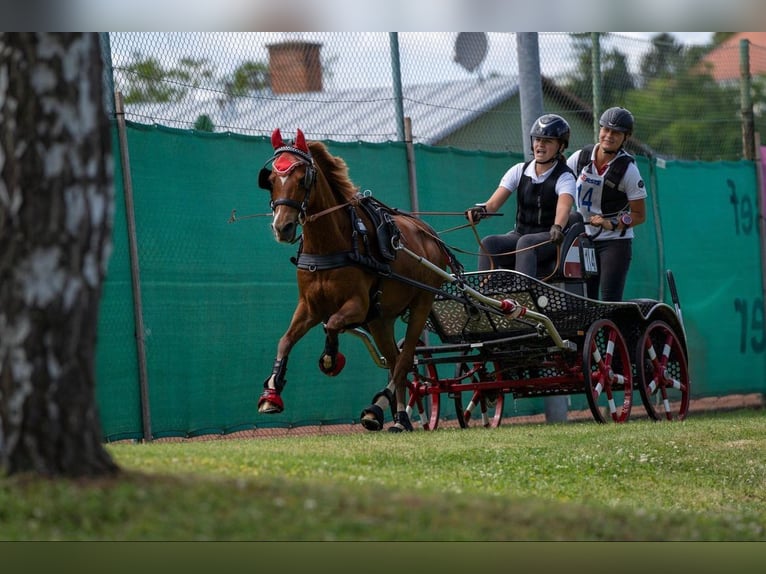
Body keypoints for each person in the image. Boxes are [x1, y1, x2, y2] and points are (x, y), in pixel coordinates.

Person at [465, 113, 576, 278]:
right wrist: (480, 212)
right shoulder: (519, 170)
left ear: (560, 146)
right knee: (489, 243)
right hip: (520, 234)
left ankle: (522, 296)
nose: (540, 145)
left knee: (526, 243)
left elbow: (564, 208)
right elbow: (493, 205)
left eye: (547, 141)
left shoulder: (565, 176)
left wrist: (557, 227)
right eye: (537, 140)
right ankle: (485, 297)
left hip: (550, 238)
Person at [566, 106, 647, 302]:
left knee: (610, 299)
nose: (609, 136)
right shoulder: (581, 158)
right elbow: (563, 189)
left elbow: (638, 215)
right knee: (585, 298)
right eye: (606, 130)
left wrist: (611, 223)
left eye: (616, 133)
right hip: (583, 237)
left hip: (614, 242)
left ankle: (615, 333)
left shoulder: (628, 170)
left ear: (625, 137)